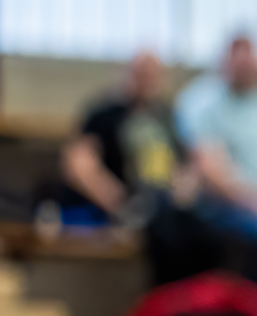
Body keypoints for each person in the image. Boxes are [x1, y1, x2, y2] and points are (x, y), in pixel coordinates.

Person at [175, 32, 257, 285]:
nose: (245, 68)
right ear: (224, 61)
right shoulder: (201, 101)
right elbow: (213, 172)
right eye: (238, 61)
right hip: (223, 206)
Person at [58, 51, 181, 225]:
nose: (147, 81)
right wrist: (118, 204)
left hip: (157, 207)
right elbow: (78, 165)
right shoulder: (104, 113)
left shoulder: (166, 117)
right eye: (141, 74)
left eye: (152, 75)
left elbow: (180, 166)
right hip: (109, 209)